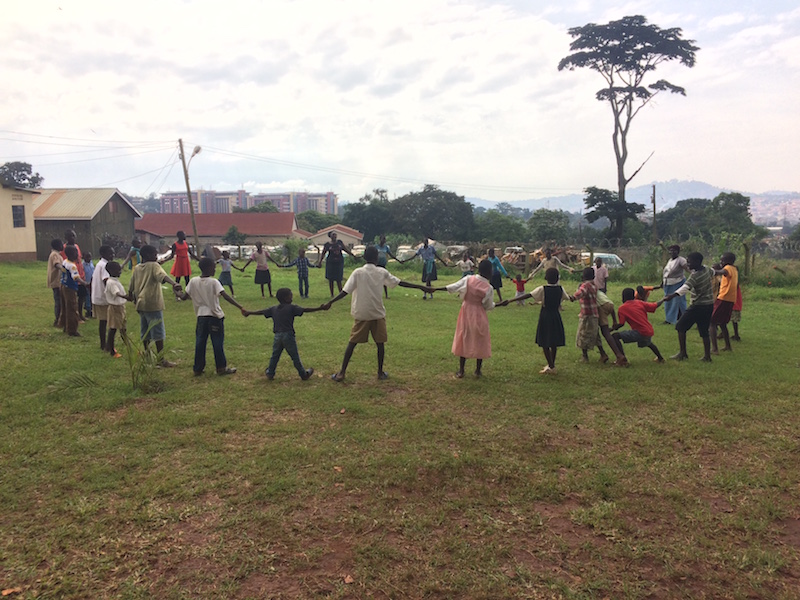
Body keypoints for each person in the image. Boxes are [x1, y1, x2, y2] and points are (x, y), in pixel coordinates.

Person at [324, 245, 432, 382]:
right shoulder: (382, 272)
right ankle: (380, 372)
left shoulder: (358, 272)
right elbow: (401, 283)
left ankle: (342, 373)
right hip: (377, 313)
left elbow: (345, 292)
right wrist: (421, 287)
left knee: (352, 343)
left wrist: (330, 302)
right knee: (380, 344)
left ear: (364, 257)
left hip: (362, 313)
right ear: (377, 258)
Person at [177, 257, 243, 376]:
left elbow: (184, 297)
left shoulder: (193, 281)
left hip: (201, 317)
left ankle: (197, 368)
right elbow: (225, 296)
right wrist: (240, 307)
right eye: (213, 267)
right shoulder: (214, 282)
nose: (215, 269)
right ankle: (221, 368)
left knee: (200, 342)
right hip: (214, 316)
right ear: (208, 268)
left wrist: (177, 292)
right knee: (217, 342)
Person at [243, 287, 323, 380]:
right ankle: (303, 374)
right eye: (291, 295)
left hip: (277, 336)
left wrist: (249, 312)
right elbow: (305, 309)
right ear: (286, 298)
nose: (292, 297)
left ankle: (270, 373)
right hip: (288, 335)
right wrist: (319, 308)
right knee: (295, 356)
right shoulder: (292, 307)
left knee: (275, 356)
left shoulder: (274, 308)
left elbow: (262, 312)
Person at [435, 259, 495, 379]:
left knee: (464, 337)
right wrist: (496, 304)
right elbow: (488, 305)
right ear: (489, 272)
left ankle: (461, 370)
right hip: (479, 313)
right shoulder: (489, 288)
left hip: (466, 311)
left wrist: (436, 289)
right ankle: (478, 370)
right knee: (480, 338)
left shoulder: (469, 279)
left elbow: (454, 287)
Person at [505, 267, 570, 374]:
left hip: (545, 315)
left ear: (545, 277)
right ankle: (551, 365)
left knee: (544, 341)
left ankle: (551, 366)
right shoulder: (560, 288)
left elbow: (528, 295)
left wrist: (511, 300)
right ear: (558, 277)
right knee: (553, 341)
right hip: (555, 315)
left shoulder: (543, 289)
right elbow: (567, 297)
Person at [128, 244, 183, 367]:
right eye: (155, 254)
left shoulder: (137, 268)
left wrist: (131, 297)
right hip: (153, 303)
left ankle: (147, 356)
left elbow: (131, 287)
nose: (156, 256)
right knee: (158, 333)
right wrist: (174, 284)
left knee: (145, 331)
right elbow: (162, 276)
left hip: (141, 304)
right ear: (148, 255)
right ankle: (160, 359)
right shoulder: (154, 266)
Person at [661, 251, 714, 362]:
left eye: (689, 262)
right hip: (709, 305)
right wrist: (723, 271)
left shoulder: (694, 276)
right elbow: (715, 271)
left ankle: (683, 353)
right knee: (704, 331)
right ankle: (707, 356)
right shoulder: (707, 269)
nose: (687, 264)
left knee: (680, 326)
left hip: (698, 306)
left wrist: (672, 295)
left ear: (697, 262)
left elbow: (685, 288)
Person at [612, 288, 665, 363]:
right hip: (648, 330)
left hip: (639, 332)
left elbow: (621, 324)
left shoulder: (622, 308)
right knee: (649, 343)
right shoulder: (640, 303)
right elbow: (655, 305)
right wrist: (663, 299)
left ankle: (623, 359)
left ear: (623, 297)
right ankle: (660, 358)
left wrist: (612, 329)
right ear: (633, 296)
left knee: (615, 336)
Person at [709, 252, 739, 354]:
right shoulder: (735, 269)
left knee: (711, 322)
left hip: (723, 298)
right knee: (722, 323)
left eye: (723, 260)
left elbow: (723, 272)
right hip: (730, 299)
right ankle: (728, 346)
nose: (721, 262)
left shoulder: (728, 268)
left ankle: (714, 349)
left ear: (729, 261)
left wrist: (712, 271)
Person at [571, 267, 602, 363]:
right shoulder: (594, 285)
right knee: (595, 335)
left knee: (583, 334)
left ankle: (585, 357)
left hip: (586, 315)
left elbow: (580, 293)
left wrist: (572, 297)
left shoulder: (585, 285)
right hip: (594, 314)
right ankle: (603, 354)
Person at [318, 232, 359, 297]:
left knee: (339, 278)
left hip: (339, 263)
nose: (334, 236)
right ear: (330, 237)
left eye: (335, 235)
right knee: (331, 279)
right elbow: (323, 253)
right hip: (330, 263)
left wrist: (353, 255)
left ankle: (340, 293)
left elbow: (346, 250)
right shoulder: (327, 245)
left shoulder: (339, 243)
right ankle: (332, 294)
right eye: (333, 235)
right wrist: (320, 262)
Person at [91, 245, 115, 351]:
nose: (113, 255)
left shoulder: (99, 264)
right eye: (110, 253)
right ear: (103, 254)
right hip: (103, 298)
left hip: (97, 296)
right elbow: (106, 281)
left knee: (103, 321)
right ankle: (105, 345)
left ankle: (104, 343)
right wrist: (114, 293)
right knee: (105, 321)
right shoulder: (105, 265)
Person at [59, 245, 86, 337]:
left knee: (65, 307)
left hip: (63, 285)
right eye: (76, 253)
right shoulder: (72, 266)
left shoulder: (65, 261)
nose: (77, 255)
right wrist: (84, 283)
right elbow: (76, 278)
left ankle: (64, 326)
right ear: (71, 254)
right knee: (72, 308)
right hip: (70, 288)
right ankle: (72, 330)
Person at [103, 261, 128, 358]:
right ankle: (111, 350)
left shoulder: (115, 280)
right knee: (113, 328)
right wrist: (126, 297)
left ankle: (128, 346)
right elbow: (117, 293)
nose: (120, 272)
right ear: (112, 271)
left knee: (123, 328)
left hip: (120, 307)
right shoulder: (111, 282)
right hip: (115, 308)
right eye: (118, 270)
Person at [596, 289, 627, 366]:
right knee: (605, 331)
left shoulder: (587, 289)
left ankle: (619, 355)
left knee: (605, 332)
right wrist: (614, 320)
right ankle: (617, 355)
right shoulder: (598, 291)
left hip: (601, 306)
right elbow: (609, 304)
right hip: (610, 304)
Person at [62, 230, 86, 323]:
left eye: (74, 236)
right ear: (66, 238)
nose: (73, 238)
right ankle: (75, 318)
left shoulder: (76, 246)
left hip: (80, 274)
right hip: (73, 277)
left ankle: (80, 314)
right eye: (71, 236)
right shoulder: (65, 248)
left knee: (82, 296)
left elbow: (79, 259)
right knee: (72, 299)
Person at [662, 244, 690, 325]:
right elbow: (666, 272)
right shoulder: (670, 260)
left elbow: (688, 268)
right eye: (671, 250)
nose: (672, 252)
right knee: (668, 302)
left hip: (678, 283)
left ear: (678, 252)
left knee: (678, 302)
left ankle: (682, 318)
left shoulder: (681, 260)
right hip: (668, 284)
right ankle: (669, 319)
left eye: (674, 250)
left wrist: (695, 274)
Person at [47, 238, 64, 327]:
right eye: (61, 244)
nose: (63, 245)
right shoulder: (54, 255)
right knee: (58, 301)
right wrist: (64, 269)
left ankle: (60, 319)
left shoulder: (58, 254)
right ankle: (57, 320)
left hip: (58, 281)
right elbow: (56, 264)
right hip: (56, 282)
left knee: (60, 300)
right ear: (57, 246)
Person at [82, 252, 95, 318]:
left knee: (92, 296)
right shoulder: (82, 265)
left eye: (90, 257)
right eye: (87, 257)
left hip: (92, 282)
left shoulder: (91, 263)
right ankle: (88, 311)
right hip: (86, 283)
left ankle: (92, 310)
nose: (89, 258)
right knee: (87, 297)